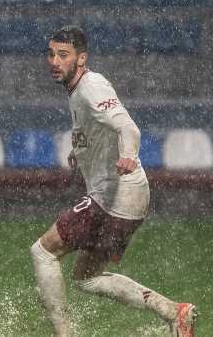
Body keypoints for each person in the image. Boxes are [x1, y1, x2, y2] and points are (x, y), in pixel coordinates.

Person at [30, 26, 197, 337]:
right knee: (86, 277)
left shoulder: (91, 87)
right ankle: (174, 312)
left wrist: (129, 156)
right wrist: (80, 152)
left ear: (81, 58)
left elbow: (128, 129)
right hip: (126, 197)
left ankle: (63, 334)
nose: (54, 61)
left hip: (116, 194)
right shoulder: (78, 89)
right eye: (51, 54)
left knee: (43, 252)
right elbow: (98, 129)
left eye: (63, 55)